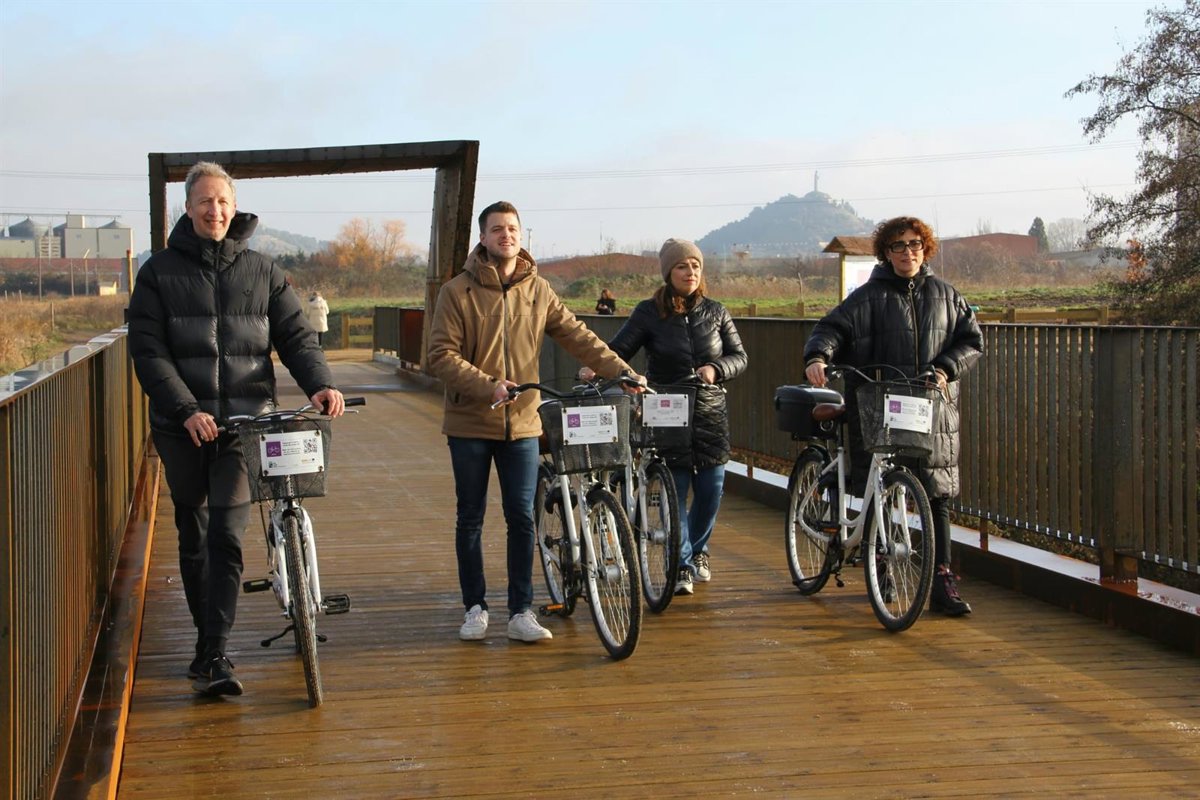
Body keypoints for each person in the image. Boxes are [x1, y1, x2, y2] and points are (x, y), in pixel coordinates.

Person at [128, 161, 345, 696]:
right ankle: (207, 645)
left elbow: (296, 337)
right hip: (183, 428)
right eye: (205, 201)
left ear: (234, 206)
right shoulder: (158, 273)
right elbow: (148, 352)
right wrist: (185, 409)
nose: (215, 210)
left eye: (223, 201)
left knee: (226, 533)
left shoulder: (262, 270)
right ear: (187, 208)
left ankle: (215, 654)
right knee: (196, 536)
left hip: (245, 426)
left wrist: (319, 383)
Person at [427, 201, 644, 644]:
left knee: (522, 518)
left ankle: (520, 611)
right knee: (470, 517)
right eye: (496, 229)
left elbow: (577, 335)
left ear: (521, 235)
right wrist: (488, 386)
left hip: (524, 422)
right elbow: (441, 355)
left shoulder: (537, 289)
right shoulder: (456, 291)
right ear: (483, 238)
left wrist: (621, 371)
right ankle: (475, 608)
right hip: (470, 422)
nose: (505, 235)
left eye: (512, 228)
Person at [802, 216, 982, 616]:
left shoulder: (947, 295)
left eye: (915, 244)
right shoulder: (867, 298)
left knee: (936, 495)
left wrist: (945, 368)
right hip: (882, 406)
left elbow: (972, 340)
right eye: (898, 245)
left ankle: (942, 581)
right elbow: (830, 329)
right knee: (880, 484)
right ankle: (880, 565)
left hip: (933, 409)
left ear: (925, 248)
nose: (907, 252)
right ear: (886, 252)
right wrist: (817, 356)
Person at [585, 238, 748, 596]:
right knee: (675, 491)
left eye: (695, 266)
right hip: (665, 409)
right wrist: (596, 367)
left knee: (712, 490)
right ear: (668, 272)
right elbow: (619, 349)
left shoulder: (717, 312)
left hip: (709, 411)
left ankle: (697, 550)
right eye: (682, 266)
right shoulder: (649, 312)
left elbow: (739, 356)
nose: (690, 272)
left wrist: (716, 369)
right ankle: (682, 564)